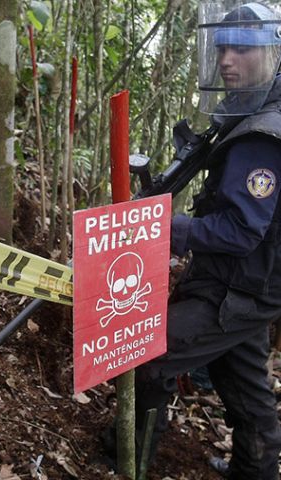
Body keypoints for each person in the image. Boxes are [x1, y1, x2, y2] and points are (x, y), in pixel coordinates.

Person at [127, 2, 281, 478]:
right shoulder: (253, 113)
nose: (228, 60)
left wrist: (172, 228)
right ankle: (255, 471)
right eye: (223, 48)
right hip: (254, 281)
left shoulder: (263, 136)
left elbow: (240, 230)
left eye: (242, 49)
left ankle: (125, 458)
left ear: (272, 54)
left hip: (240, 288)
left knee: (148, 357)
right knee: (243, 382)